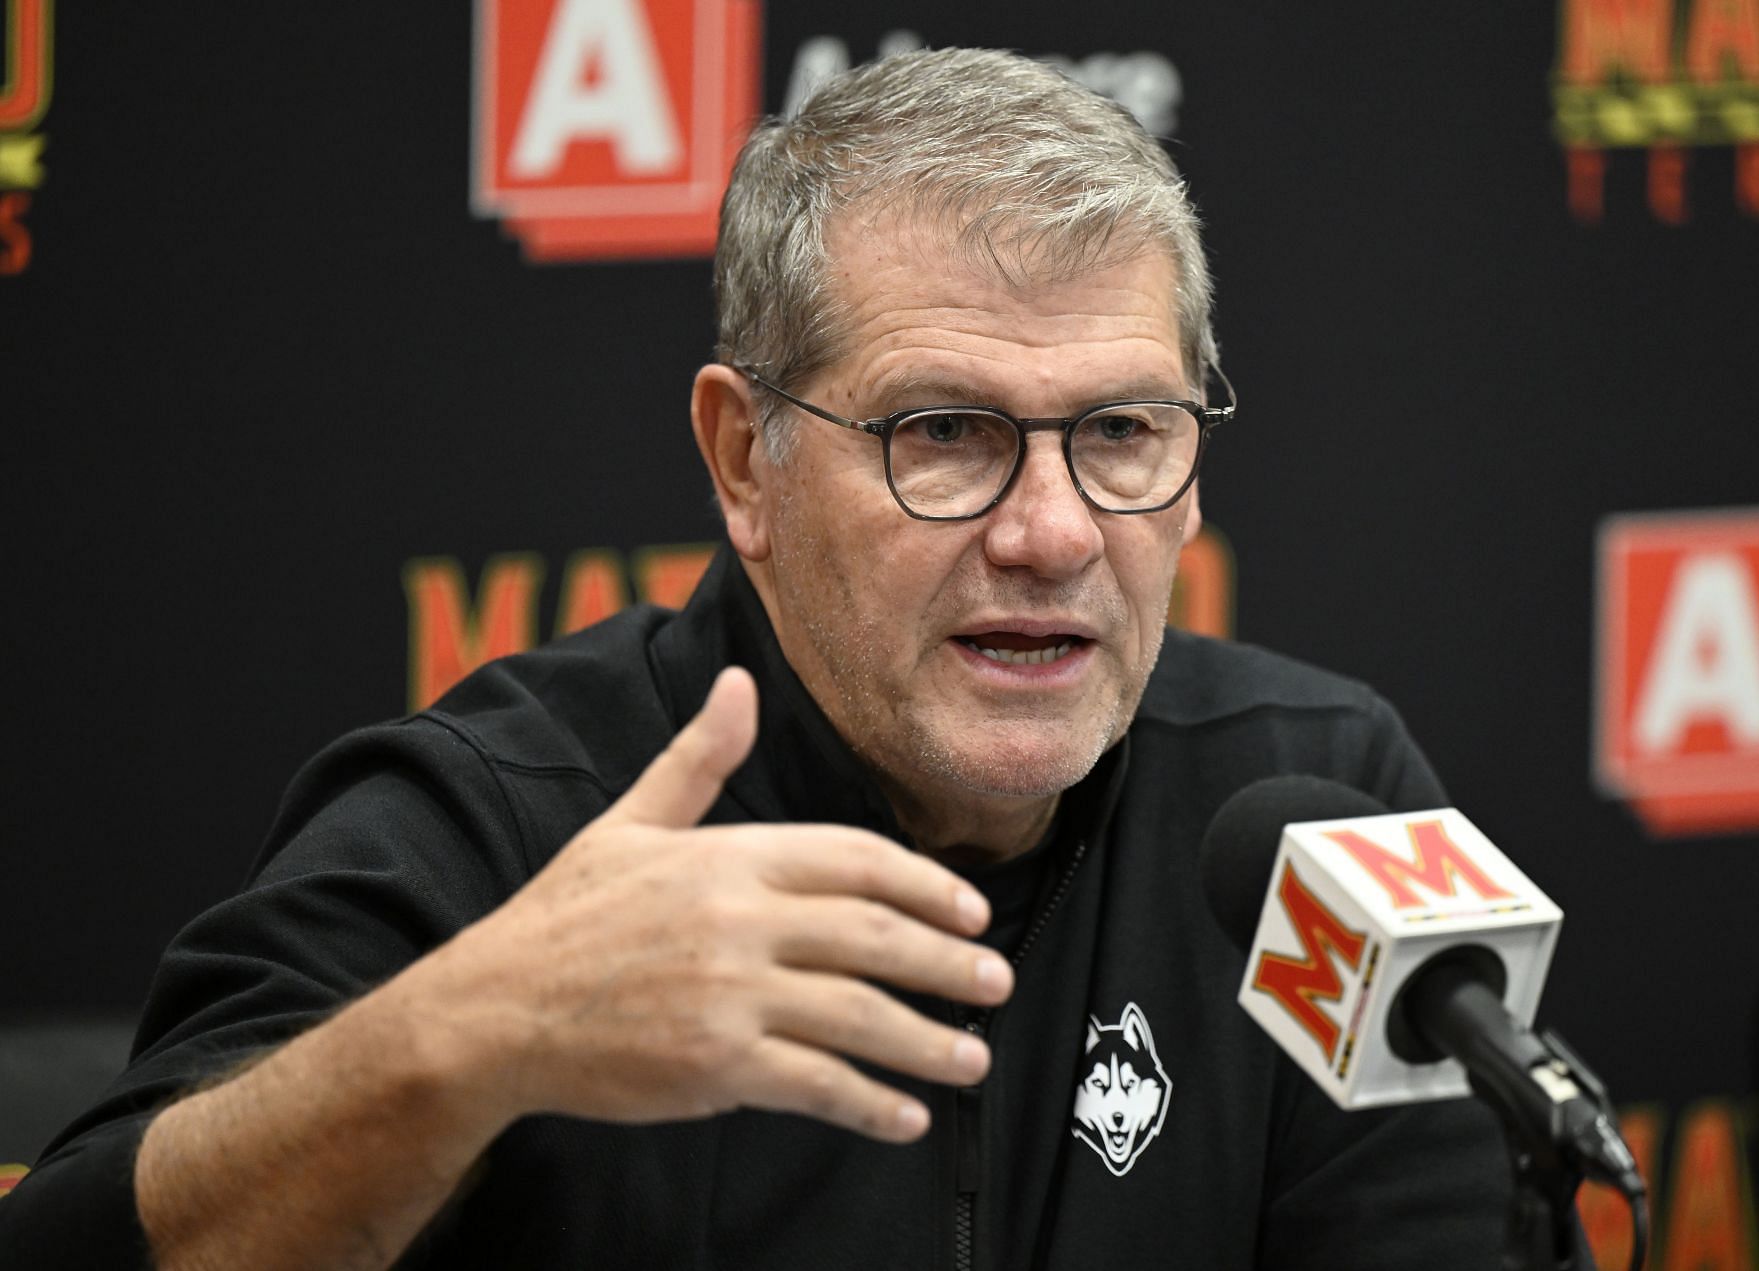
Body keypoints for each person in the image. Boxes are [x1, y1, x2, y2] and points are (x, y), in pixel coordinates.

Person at [1, 48, 1525, 1268]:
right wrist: (468, 1038)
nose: (1054, 533)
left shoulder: (1319, 808)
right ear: (747, 463)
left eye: (1122, 431)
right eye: (945, 433)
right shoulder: (501, 826)